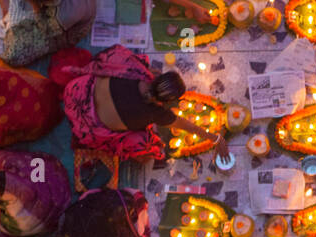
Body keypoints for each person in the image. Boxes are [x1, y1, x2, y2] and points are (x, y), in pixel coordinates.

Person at [55, 44, 226, 161]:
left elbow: (117, 53)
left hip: (74, 92)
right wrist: (215, 139)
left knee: (122, 58)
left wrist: (149, 72)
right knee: (145, 142)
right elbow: (188, 126)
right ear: (167, 102)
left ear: (158, 78)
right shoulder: (156, 113)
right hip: (85, 126)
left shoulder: (136, 70)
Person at [0, 0, 98, 67]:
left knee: (15, 54)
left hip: (64, 31)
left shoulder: (66, 15)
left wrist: (35, 6)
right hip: (60, 12)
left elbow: (46, 29)